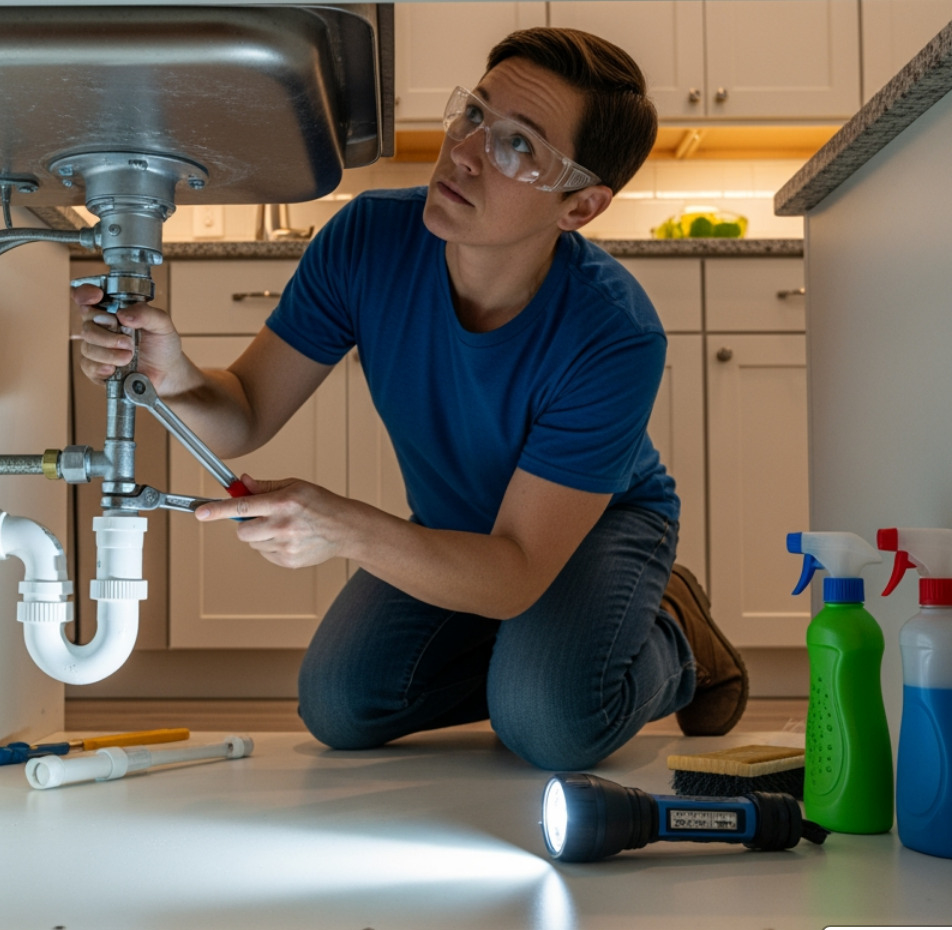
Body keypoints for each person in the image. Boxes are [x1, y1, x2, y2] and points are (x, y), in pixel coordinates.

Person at [74, 27, 748, 771]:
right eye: (475, 115)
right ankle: (535, 654)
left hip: (593, 530)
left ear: (579, 208)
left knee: (550, 724)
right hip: (462, 530)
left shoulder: (614, 333)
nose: (464, 152)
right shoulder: (369, 240)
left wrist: (342, 527)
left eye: (517, 146)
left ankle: (676, 636)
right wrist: (173, 375)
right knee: (341, 705)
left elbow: (519, 568)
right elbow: (244, 414)